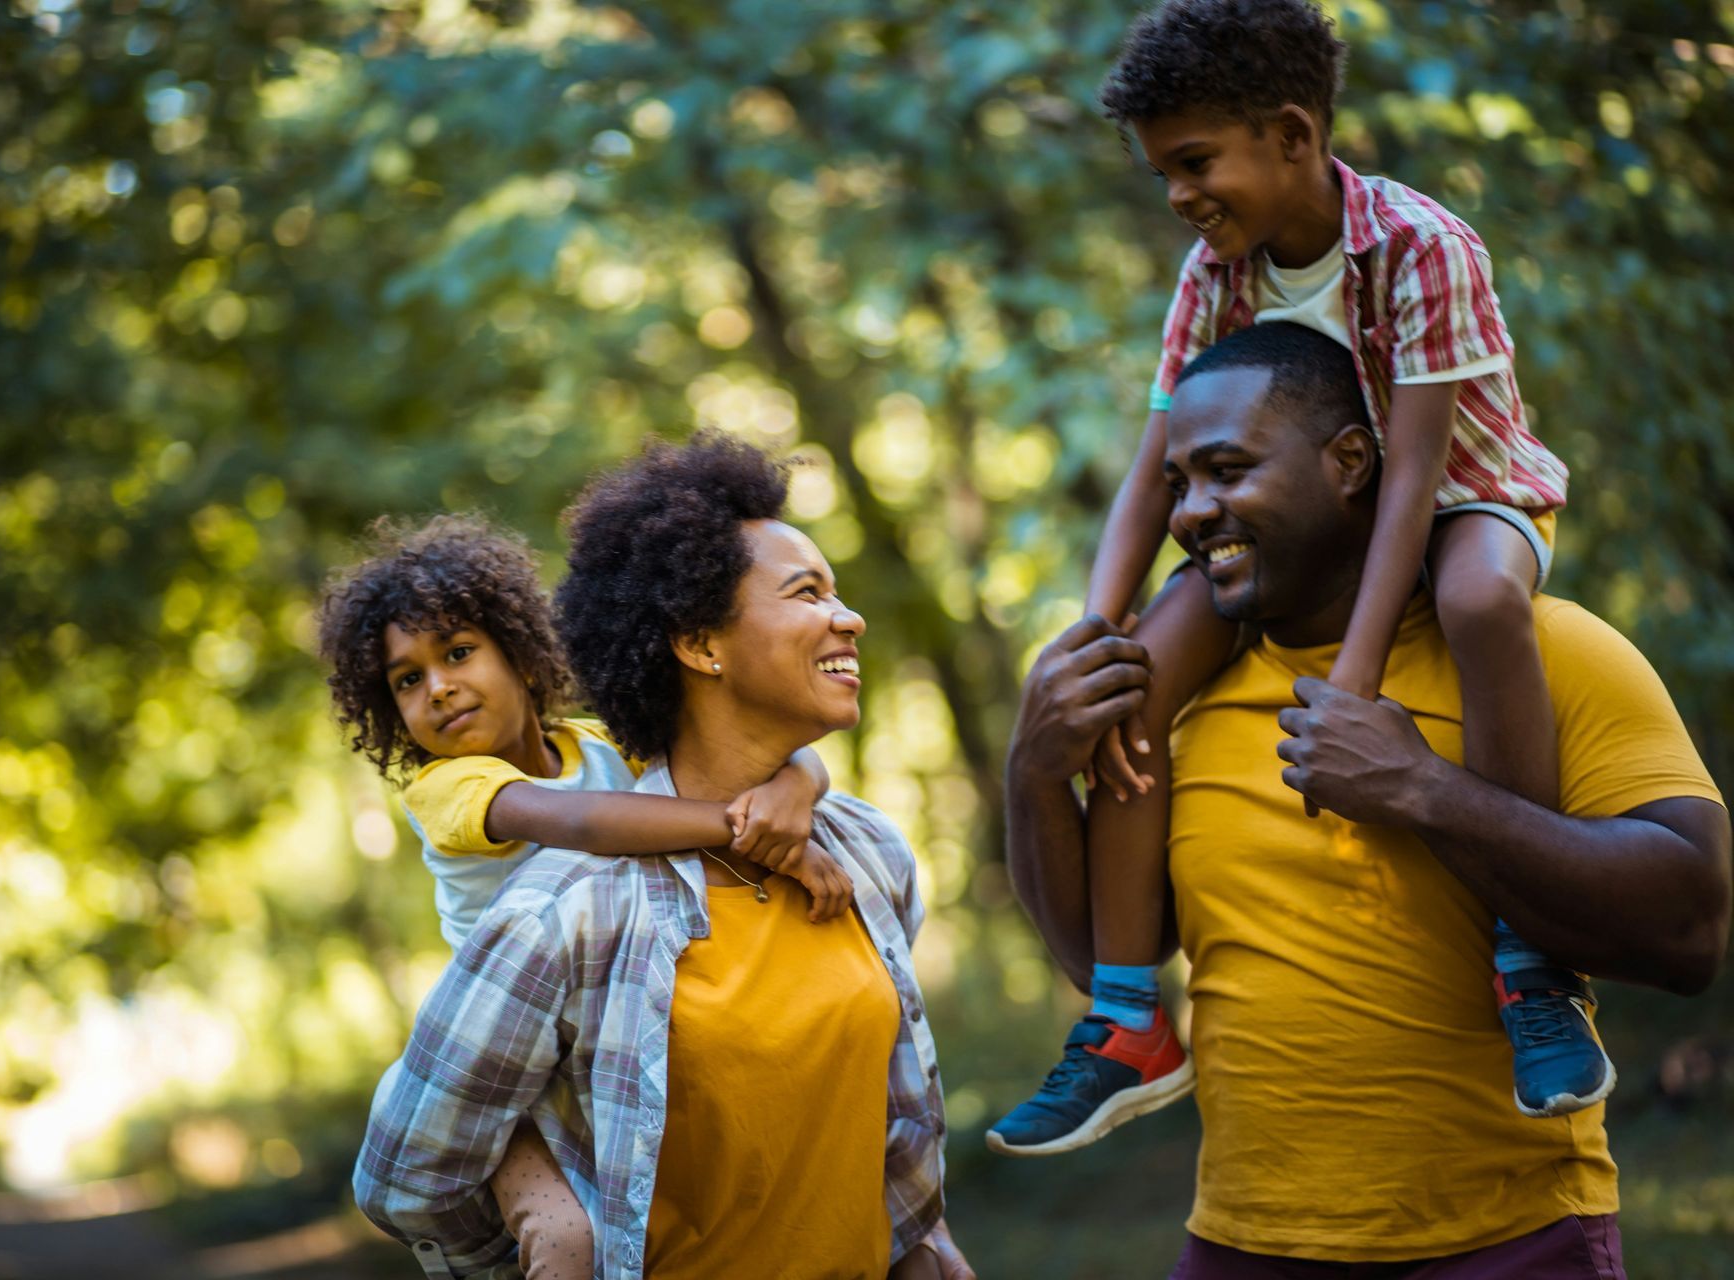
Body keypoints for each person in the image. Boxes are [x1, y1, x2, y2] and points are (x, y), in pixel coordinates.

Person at [992, 0, 1595, 1156]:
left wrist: (1353, 684)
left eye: (1195, 162)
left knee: (1476, 599)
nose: (1179, 193)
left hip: (1468, 494)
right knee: (1131, 680)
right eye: (1163, 169)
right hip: (1303, 530)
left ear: (1292, 135)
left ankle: (1533, 969)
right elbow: (1148, 472)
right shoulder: (1214, 273)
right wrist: (1095, 629)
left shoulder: (1423, 245)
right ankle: (1126, 1019)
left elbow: (1415, 470)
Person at [1005, 321, 1729, 1274]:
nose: (1190, 513)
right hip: (1238, 1247)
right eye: (1178, 485)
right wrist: (1034, 773)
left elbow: (1692, 933)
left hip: (1513, 1245)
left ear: (1350, 462)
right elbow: (1097, 959)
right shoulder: (1173, 698)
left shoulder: (1540, 650)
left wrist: (1426, 789)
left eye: (1228, 470)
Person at [352, 434, 973, 1280]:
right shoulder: (548, 891)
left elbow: (889, 1124)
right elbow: (411, 1169)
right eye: (807, 592)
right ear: (698, 643)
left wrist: (924, 1246)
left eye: (459, 654)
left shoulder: (864, 853)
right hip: (498, 1043)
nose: (848, 615)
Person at [318, 512, 853, 1279]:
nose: (439, 687)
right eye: (408, 679)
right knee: (572, 1244)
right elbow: (583, 822)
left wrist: (795, 790)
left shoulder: (597, 741)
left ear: (524, 657)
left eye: (460, 652)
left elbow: (764, 754)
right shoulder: (450, 788)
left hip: (601, 1037)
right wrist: (749, 831)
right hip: (508, 1066)